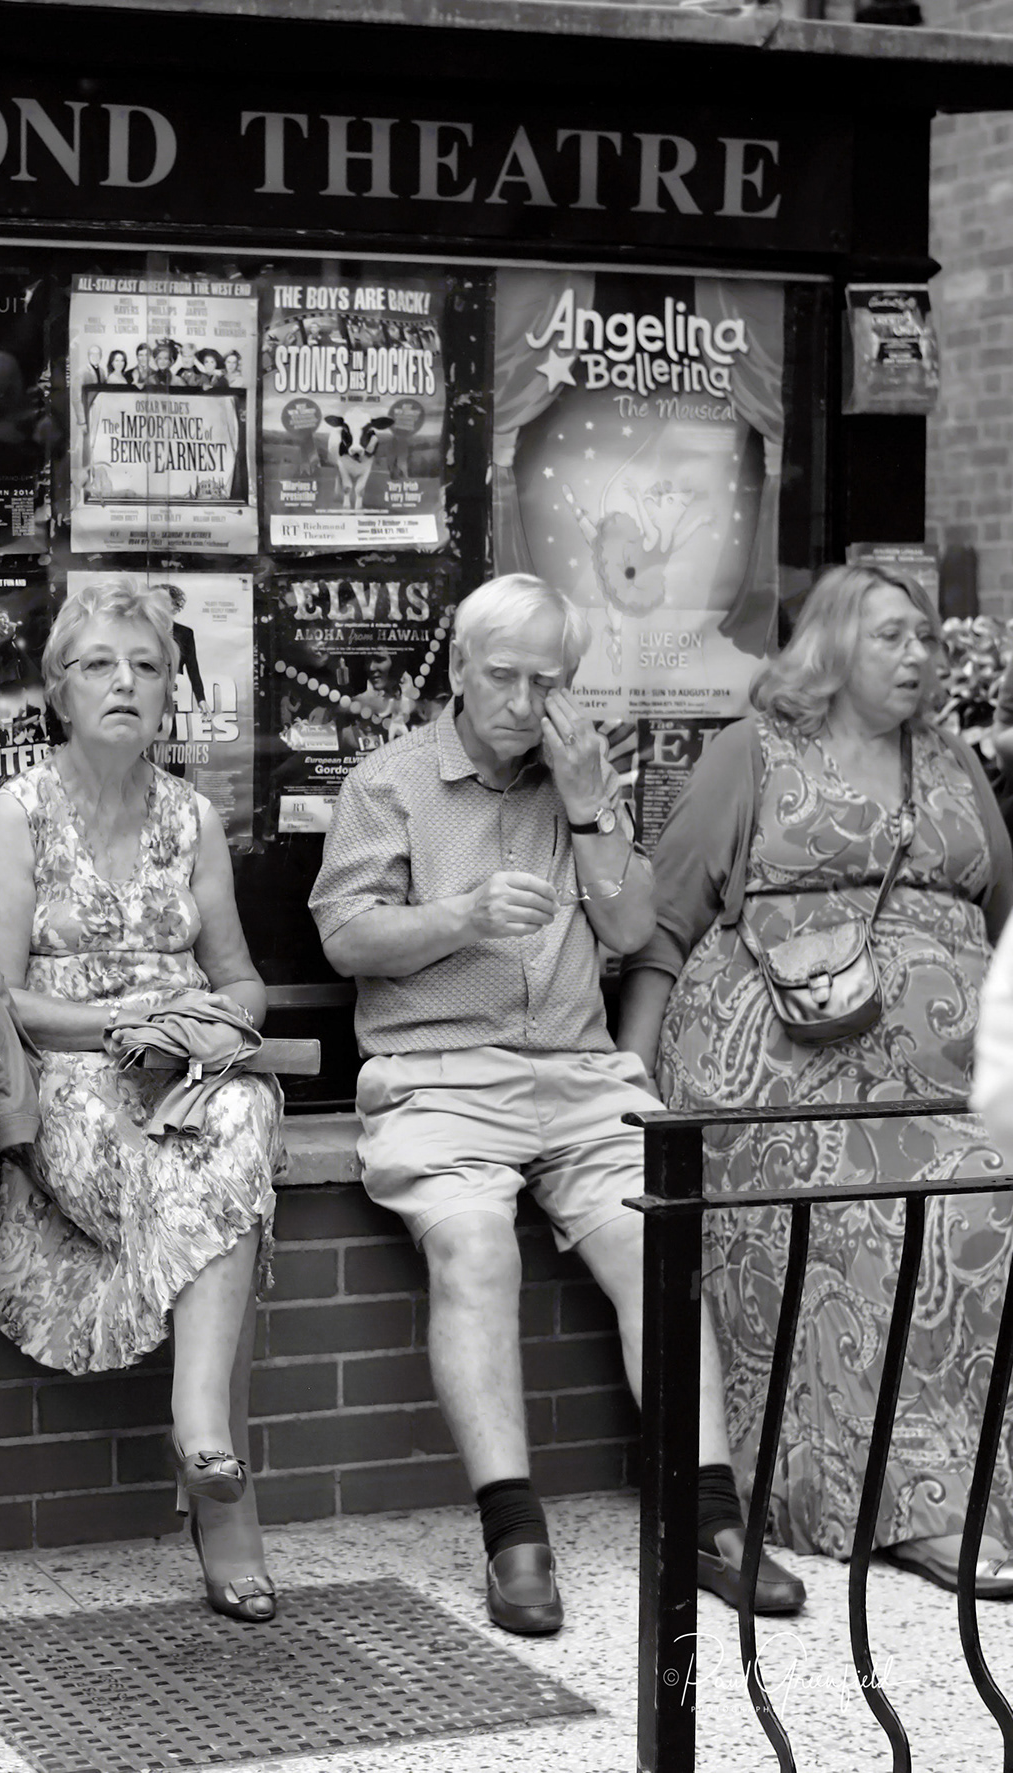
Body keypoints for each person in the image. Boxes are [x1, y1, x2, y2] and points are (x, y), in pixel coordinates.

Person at [309, 572, 805, 1636]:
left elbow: (629, 931)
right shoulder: (389, 783)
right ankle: (514, 1534)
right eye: (505, 677)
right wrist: (463, 915)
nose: (527, 702)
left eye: (549, 681)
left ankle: (709, 1519)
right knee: (477, 1250)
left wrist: (588, 807)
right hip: (439, 1072)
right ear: (458, 670)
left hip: (579, 1073)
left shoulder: (580, 780)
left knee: (658, 1246)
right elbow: (346, 936)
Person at [620, 564, 1013, 1595]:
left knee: (996, 1204)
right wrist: (634, 1073)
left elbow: (1002, 912)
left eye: (926, 638)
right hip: (781, 1090)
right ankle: (914, 1505)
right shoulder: (752, 753)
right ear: (832, 643)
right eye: (892, 636)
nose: (919, 655)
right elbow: (666, 921)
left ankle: (990, 1486)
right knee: (887, 1224)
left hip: (943, 1092)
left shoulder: (951, 759)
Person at [0, 577, 284, 1625]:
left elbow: (242, 978)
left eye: (147, 666)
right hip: (71, 1074)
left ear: (167, 695)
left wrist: (214, 1027)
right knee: (222, 1200)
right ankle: (223, 1497)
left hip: (186, 1079)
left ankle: (201, 1429)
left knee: (238, 1121)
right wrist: (123, 1025)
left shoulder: (193, 817)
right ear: (58, 690)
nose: (125, 682)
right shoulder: (17, 813)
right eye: (100, 664)